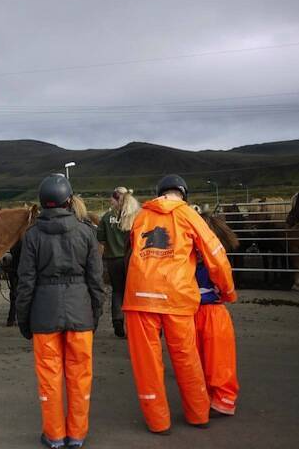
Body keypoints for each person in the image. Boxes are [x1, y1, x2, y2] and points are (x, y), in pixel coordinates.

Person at [122, 174, 235, 434]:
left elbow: (134, 250)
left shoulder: (140, 216)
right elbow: (215, 254)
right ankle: (198, 415)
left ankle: (158, 422)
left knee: (147, 364)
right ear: (183, 194)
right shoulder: (189, 215)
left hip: (139, 298)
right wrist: (227, 291)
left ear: (160, 191)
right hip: (177, 298)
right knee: (186, 358)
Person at [16, 174, 105, 449]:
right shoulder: (86, 232)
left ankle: (54, 436)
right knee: (79, 377)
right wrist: (95, 314)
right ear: (69, 200)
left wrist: (24, 320)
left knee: (49, 378)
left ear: (43, 203)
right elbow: (96, 281)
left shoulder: (31, 236)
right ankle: (77, 434)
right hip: (80, 315)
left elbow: (25, 282)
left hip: (44, 316)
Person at [194, 211, 240, 416]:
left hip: (212, 312)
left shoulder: (213, 258)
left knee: (217, 360)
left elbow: (224, 286)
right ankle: (212, 397)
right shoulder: (202, 256)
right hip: (198, 311)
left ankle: (224, 400)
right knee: (203, 359)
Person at [96, 187, 140, 337]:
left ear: (115, 199)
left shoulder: (107, 217)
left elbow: (100, 240)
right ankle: (133, 324)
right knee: (132, 291)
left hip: (113, 260)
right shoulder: (135, 216)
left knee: (117, 291)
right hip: (132, 260)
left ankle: (118, 322)